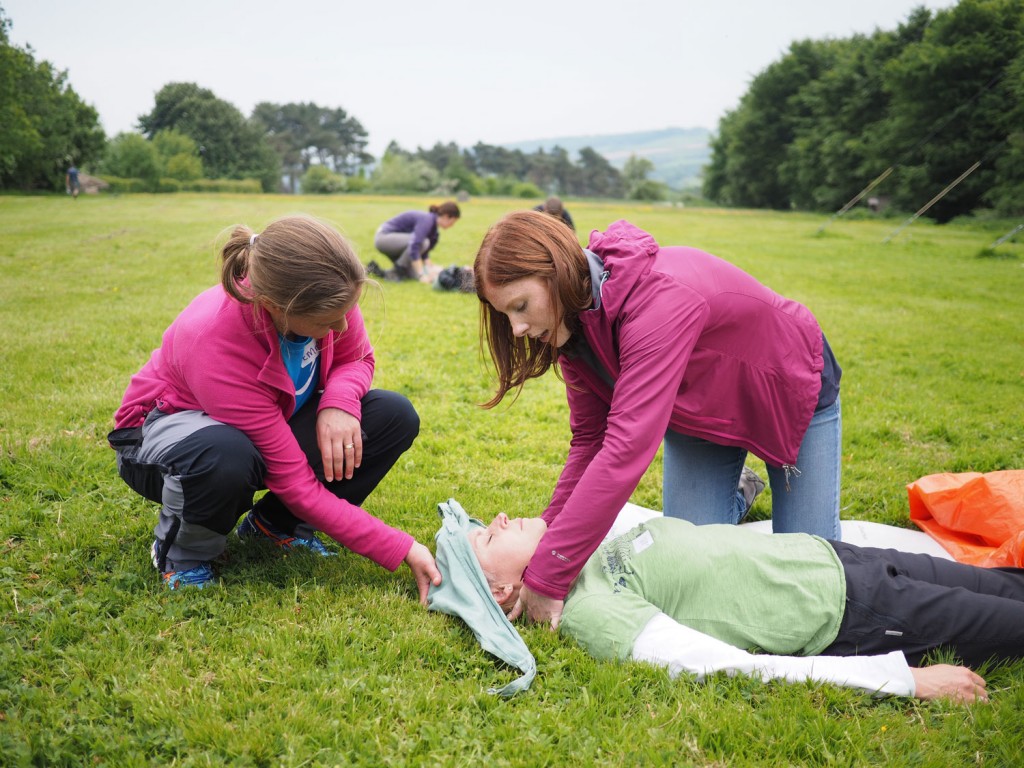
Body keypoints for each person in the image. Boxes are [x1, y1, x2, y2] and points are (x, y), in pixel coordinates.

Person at [474, 211, 843, 627]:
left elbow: (625, 449)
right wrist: (547, 536)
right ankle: (738, 493)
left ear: (556, 271)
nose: (518, 328)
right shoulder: (573, 329)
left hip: (784, 391)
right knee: (691, 568)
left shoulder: (658, 300)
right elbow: (590, 442)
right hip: (699, 416)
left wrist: (549, 575)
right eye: (506, 315)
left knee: (811, 572)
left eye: (520, 306)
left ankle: (740, 492)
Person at [108, 215, 442, 598]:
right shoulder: (215, 341)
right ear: (274, 305)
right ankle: (183, 556)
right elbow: (297, 484)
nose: (342, 328)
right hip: (158, 439)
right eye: (329, 321)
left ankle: (275, 526)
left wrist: (338, 403)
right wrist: (402, 548)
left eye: (346, 312)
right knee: (224, 455)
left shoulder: (329, 291)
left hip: (252, 428)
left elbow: (357, 358)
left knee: (391, 415)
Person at [439, 499, 1024, 703]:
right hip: (851, 615)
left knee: (1008, 581)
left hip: (838, 560)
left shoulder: (579, 541)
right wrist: (905, 682)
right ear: (500, 590)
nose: (499, 518)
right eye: (488, 536)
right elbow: (725, 666)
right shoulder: (590, 614)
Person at [370, 201, 461, 283]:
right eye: (452, 222)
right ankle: (397, 271)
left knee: (413, 275)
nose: (451, 226)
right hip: (383, 237)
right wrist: (422, 274)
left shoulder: (434, 229)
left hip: (396, 241)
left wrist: (431, 269)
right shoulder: (427, 219)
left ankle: (380, 272)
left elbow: (424, 253)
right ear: (446, 216)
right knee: (424, 243)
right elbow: (415, 245)